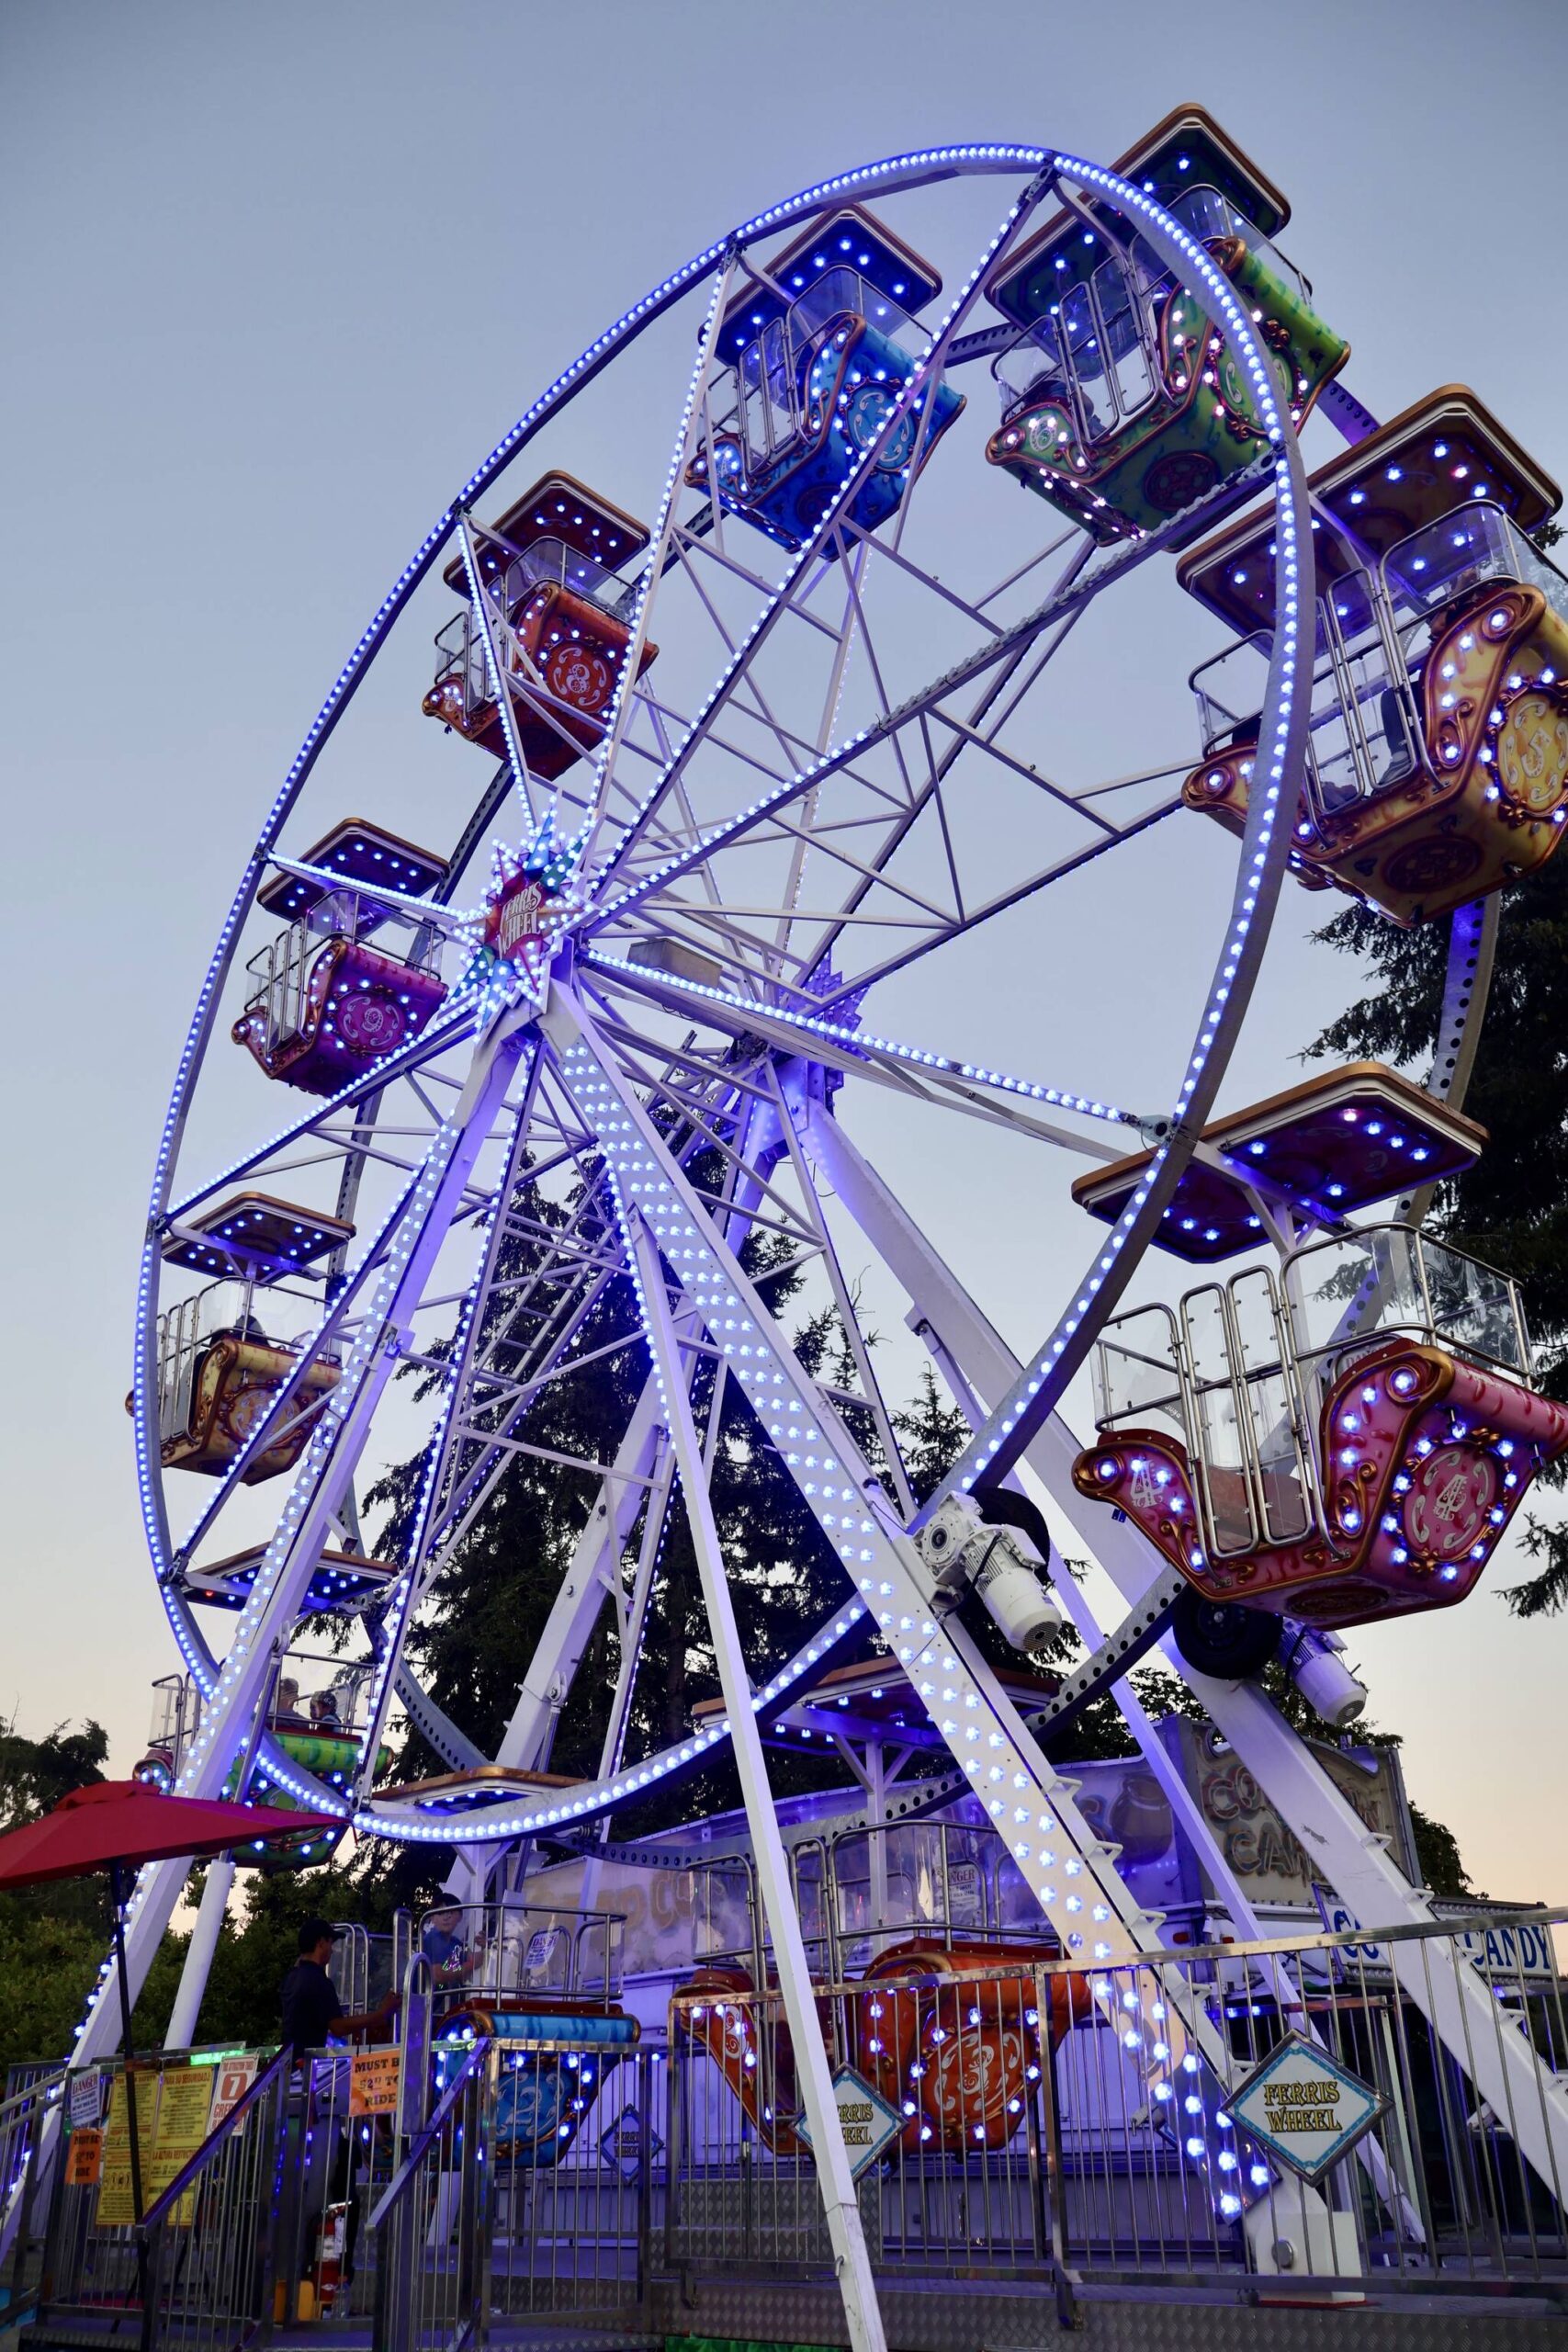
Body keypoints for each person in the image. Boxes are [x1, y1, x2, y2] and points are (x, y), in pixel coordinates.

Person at [279, 1917, 399, 2057]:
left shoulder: (290, 1978)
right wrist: (381, 2013)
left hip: (287, 2063)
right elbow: (338, 2027)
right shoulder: (319, 1981)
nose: (332, 1950)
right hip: (306, 2064)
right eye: (331, 1943)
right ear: (321, 1943)